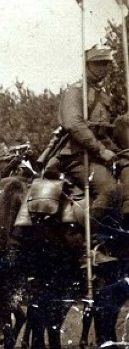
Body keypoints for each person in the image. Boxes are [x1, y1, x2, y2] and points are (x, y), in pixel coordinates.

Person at [57, 46, 129, 237]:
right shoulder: (75, 92)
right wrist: (101, 150)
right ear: (86, 66)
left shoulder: (103, 96)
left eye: (106, 64)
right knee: (110, 190)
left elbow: (104, 131)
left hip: (98, 155)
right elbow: (74, 124)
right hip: (77, 156)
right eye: (97, 64)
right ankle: (91, 241)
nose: (102, 68)